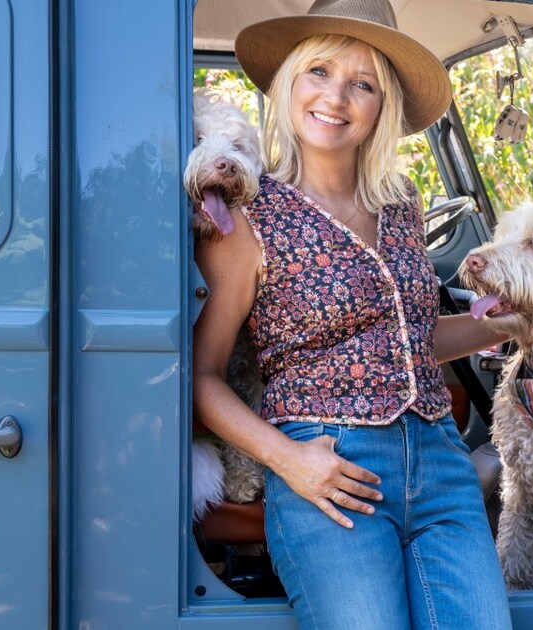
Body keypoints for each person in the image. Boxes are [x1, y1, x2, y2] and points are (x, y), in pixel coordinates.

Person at [192, 1, 514, 628]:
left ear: (381, 107)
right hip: (328, 472)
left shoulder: (399, 203)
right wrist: (291, 460)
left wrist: (510, 320)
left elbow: (412, 340)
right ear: (289, 82)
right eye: (318, 71)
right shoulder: (246, 216)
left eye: (361, 83)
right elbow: (203, 379)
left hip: (442, 466)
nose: (335, 97)